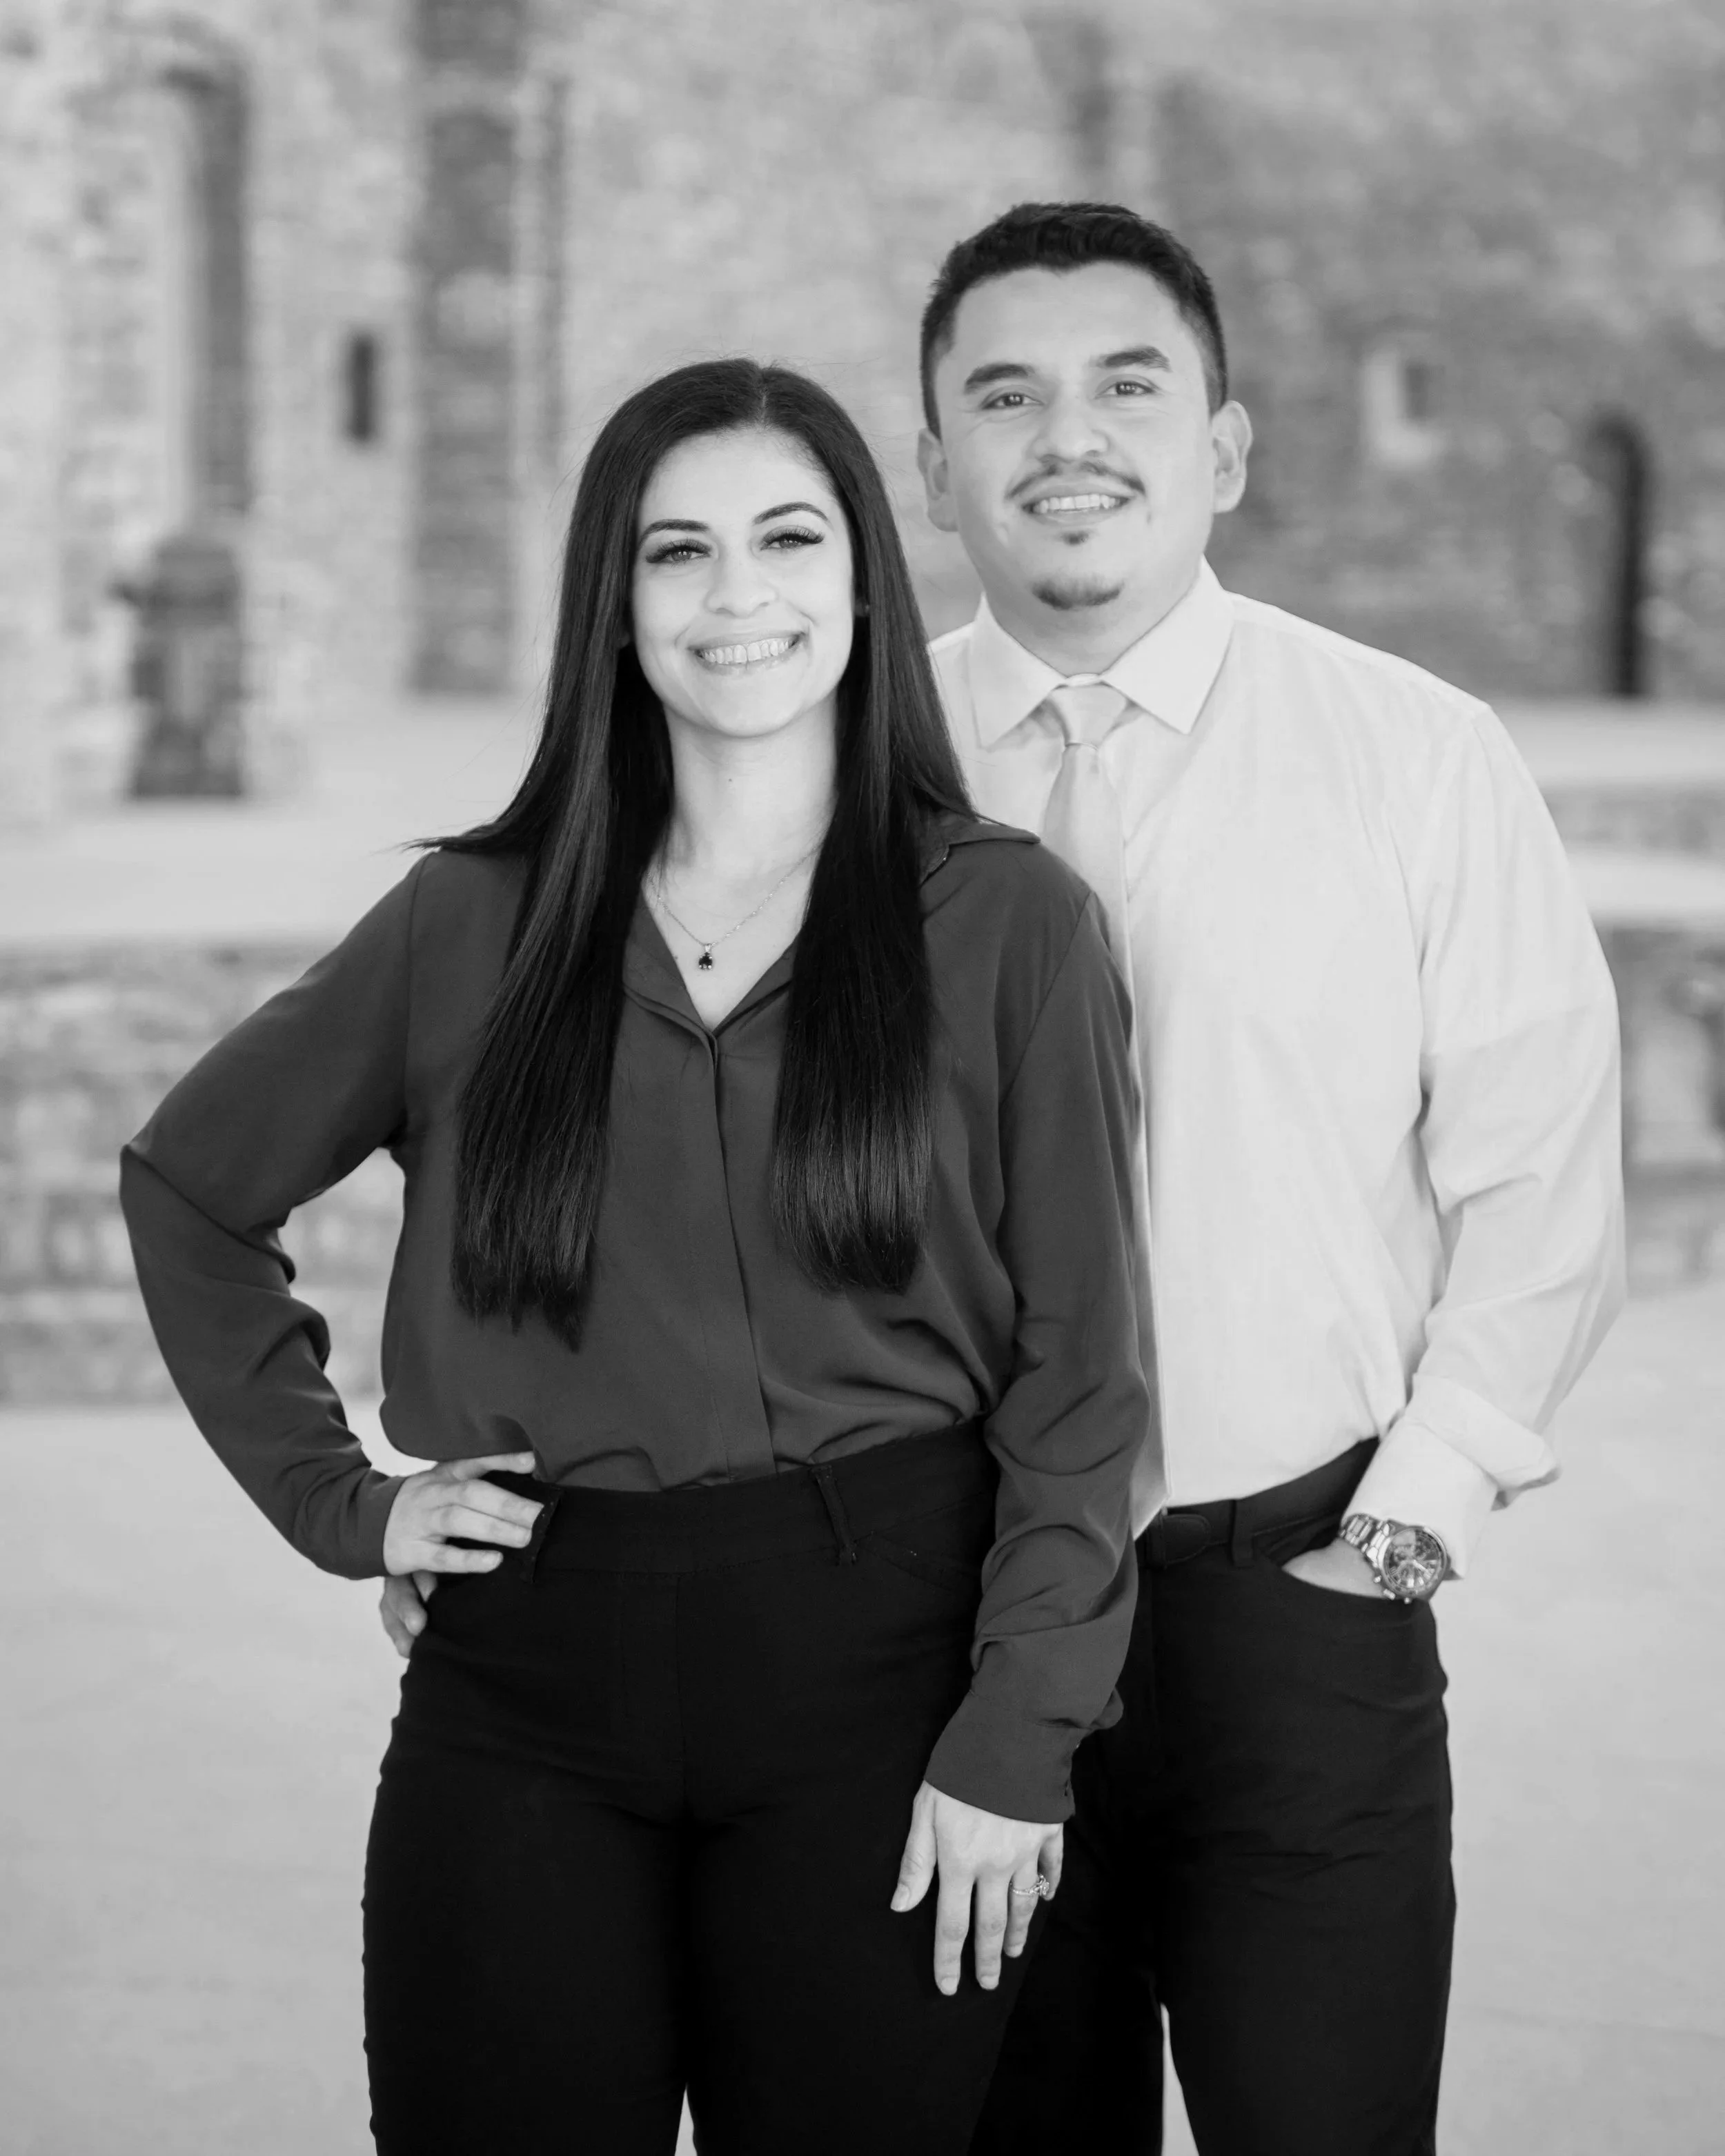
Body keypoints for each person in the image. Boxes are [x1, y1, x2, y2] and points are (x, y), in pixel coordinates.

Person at [119, 359, 1149, 2156]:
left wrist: (1018, 1738)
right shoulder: (469, 922)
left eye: (787, 539)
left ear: (863, 580)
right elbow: (191, 1187)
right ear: (615, 600)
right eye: (677, 551)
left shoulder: (1008, 923)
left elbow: (1081, 1379)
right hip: (530, 1672)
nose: (736, 594)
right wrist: (342, 1502)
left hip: (885, 1671)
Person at [911, 204, 1626, 2156]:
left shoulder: (1413, 753)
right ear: (936, 465)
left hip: (1295, 1614)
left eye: (1127, 387)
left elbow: (1543, 1180)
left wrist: (1394, 1541)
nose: (1069, 437)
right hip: (937, 1622)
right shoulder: (838, 770)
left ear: (1221, 449)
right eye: (1005, 396)